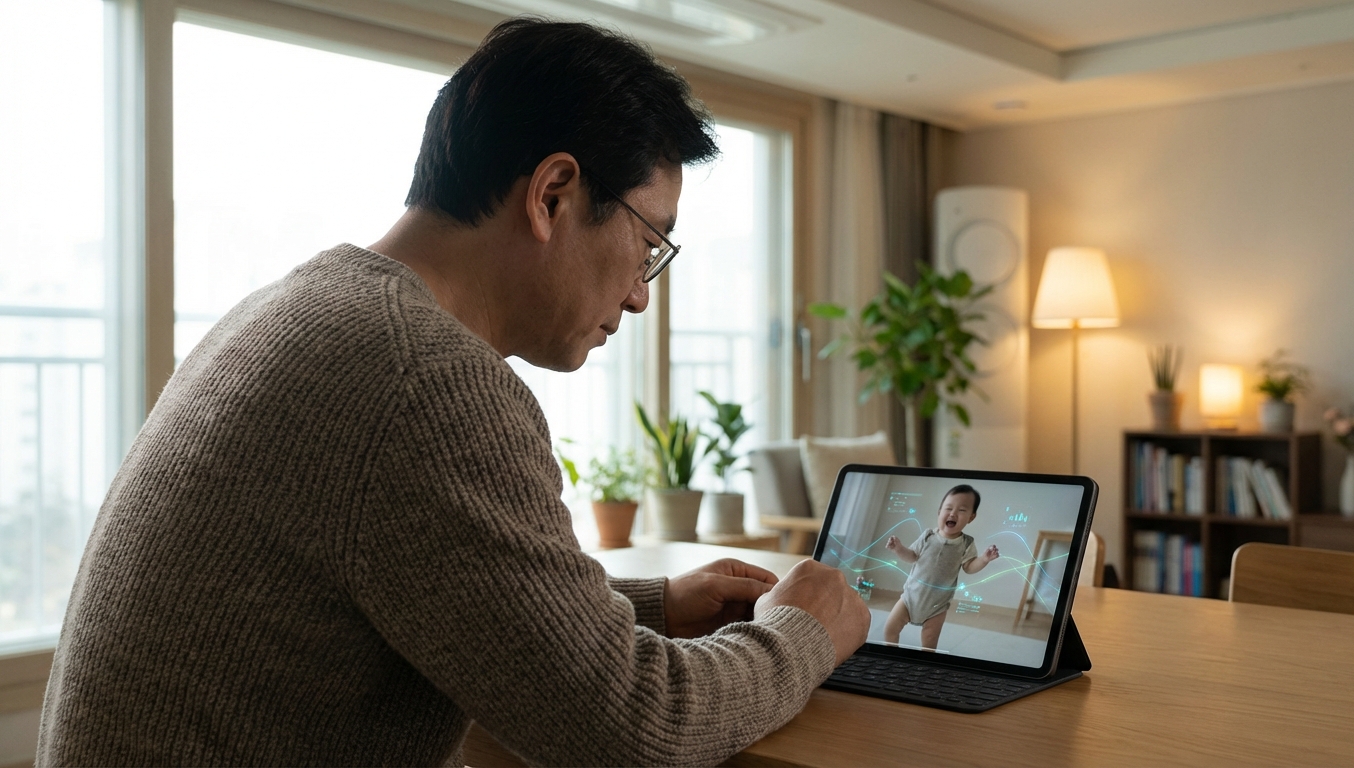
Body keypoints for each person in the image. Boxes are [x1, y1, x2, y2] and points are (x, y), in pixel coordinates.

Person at [37, 18, 868, 767]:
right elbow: (635, 729)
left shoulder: (302, 309)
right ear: (553, 195)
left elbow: (416, 583)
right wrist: (802, 636)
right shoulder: (421, 380)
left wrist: (649, 604)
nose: (643, 294)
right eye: (649, 244)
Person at [882, 485, 999, 650]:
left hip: (937, 606)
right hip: (910, 598)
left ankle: (927, 666)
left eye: (961, 510)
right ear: (939, 512)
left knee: (929, 640)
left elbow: (969, 567)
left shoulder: (966, 543)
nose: (953, 513)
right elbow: (912, 556)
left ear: (971, 518)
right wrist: (898, 548)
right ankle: (890, 657)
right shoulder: (928, 536)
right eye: (949, 508)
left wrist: (984, 559)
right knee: (890, 629)